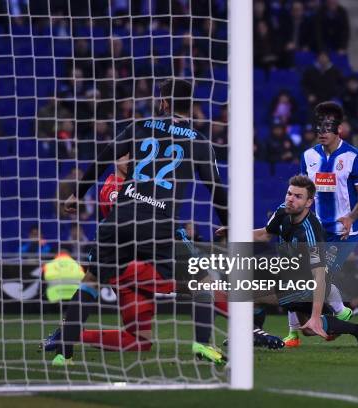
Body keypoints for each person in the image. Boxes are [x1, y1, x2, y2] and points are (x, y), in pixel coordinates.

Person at [51, 79, 228, 366]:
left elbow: (103, 158)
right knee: (202, 279)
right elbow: (215, 188)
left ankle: (63, 353)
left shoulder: (140, 126)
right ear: (191, 105)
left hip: (120, 217)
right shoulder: (198, 141)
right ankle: (202, 344)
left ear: (164, 102)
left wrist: (77, 194)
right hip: (156, 223)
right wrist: (228, 224)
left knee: (90, 282)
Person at [252, 175, 358, 346]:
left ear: (309, 202)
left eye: (297, 196)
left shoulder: (311, 234)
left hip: (305, 288)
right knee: (307, 330)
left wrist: (315, 316)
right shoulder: (283, 210)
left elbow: (319, 276)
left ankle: (254, 336)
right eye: (289, 194)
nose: (291, 199)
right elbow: (264, 234)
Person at [291, 101, 358, 347]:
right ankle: (340, 317)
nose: (322, 132)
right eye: (319, 128)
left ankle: (325, 319)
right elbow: (304, 191)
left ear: (340, 130)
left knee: (317, 276)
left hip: (344, 232)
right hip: (317, 229)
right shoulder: (308, 156)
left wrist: (350, 217)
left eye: (328, 127)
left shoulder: (353, 158)